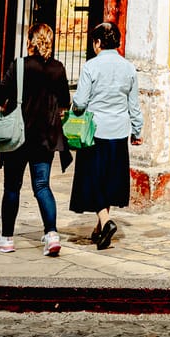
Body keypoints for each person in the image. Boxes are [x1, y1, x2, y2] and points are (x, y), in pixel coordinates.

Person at [0, 21, 71, 256]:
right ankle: (52, 235)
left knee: (12, 186)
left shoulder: (20, 66)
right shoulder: (58, 68)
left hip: (20, 137)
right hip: (45, 138)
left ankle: (6, 238)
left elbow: (1, 93)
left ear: (30, 42)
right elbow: (65, 102)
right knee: (42, 186)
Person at [68, 21, 142, 249]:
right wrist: (137, 130)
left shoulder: (91, 67)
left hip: (95, 132)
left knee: (93, 179)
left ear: (98, 42)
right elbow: (134, 105)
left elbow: (80, 102)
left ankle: (107, 222)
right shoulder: (129, 68)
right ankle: (100, 228)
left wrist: (75, 107)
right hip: (119, 132)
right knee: (109, 180)